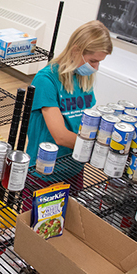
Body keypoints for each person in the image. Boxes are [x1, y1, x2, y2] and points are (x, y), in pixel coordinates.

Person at [25, 20, 113, 165]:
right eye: (92, 61)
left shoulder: (84, 78)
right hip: (45, 166)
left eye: (99, 62)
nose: (96, 68)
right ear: (76, 50)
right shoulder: (46, 80)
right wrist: (98, 149)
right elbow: (60, 136)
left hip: (75, 163)